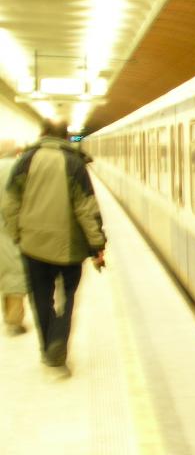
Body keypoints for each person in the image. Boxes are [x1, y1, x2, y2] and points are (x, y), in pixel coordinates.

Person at [1, 122, 106, 369]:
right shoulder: (74, 163)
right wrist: (97, 246)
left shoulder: (25, 160)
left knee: (41, 299)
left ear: (42, 135)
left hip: (33, 247)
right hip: (70, 247)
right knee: (67, 297)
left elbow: (10, 204)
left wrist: (18, 234)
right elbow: (86, 209)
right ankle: (59, 340)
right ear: (65, 138)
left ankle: (48, 345)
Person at [0, 150, 27, 336]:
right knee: (14, 274)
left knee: (5, 275)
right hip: (10, 229)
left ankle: (8, 315)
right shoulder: (18, 169)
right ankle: (14, 321)